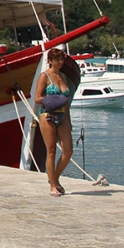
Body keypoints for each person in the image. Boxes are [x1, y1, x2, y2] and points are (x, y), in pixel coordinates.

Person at [34, 48, 73, 196]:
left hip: (62, 116)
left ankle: (54, 178)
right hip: (47, 115)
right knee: (51, 151)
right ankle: (53, 186)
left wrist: (69, 121)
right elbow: (37, 98)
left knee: (68, 151)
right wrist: (53, 100)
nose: (60, 62)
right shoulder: (45, 76)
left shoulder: (63, 76)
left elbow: (67, 102)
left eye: (62, 59)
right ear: (50, 61)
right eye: (57, 59)